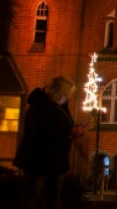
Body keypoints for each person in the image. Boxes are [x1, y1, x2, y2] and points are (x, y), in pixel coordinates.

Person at [14, 76, 77, 209]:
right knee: (34, 195)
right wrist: (65, 134)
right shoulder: (38, 106)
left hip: (57, 159)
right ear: (57, 92)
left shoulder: (61, 108)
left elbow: (64, 125)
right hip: (38, 159)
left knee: (54, 196)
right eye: (65, 94)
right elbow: (39, 132)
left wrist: (71, 132)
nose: (67, 97)